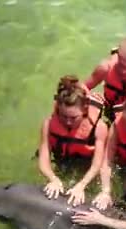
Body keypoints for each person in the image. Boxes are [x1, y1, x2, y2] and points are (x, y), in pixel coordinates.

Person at [37, 75, 108, 206]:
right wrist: (53, 179)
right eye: (64, 116)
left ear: (85, 109)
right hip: (63, 160)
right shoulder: (48, 124)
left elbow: (98, 164)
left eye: (74, 117)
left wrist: (82, 185)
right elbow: (43, 159)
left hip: (87, 163)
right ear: (58, 108)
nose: (68, 122)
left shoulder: (99, 128)